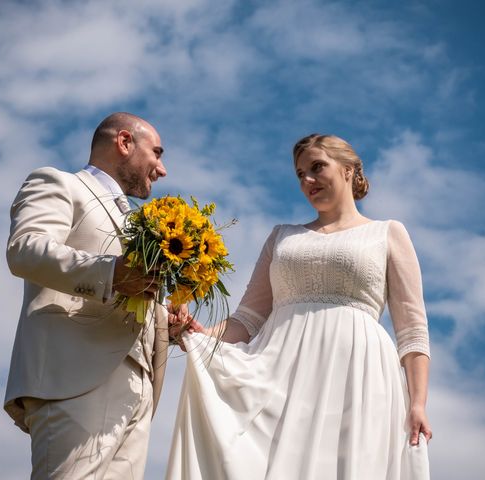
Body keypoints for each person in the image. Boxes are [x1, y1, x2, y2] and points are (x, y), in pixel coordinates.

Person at [166, 134, 432, 479]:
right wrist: (198, 335)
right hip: (281, 374)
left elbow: (412, 331)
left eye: (317, 167)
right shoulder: (282, 237)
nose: (307, 181)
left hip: (359, 374)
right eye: (300, 174)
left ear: (349, 169)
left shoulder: (387, 233)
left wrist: (418, 403)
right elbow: (247, 319)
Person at [4, 112, 179, 479]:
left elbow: (131, 289)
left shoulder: (141, 224)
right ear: (125, 142)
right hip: (74, 375)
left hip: (141, 388)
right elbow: (26, 248)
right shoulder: (60, 183)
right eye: (157, 153)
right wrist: (111, 272)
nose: (161, 170)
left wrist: (165, 318)